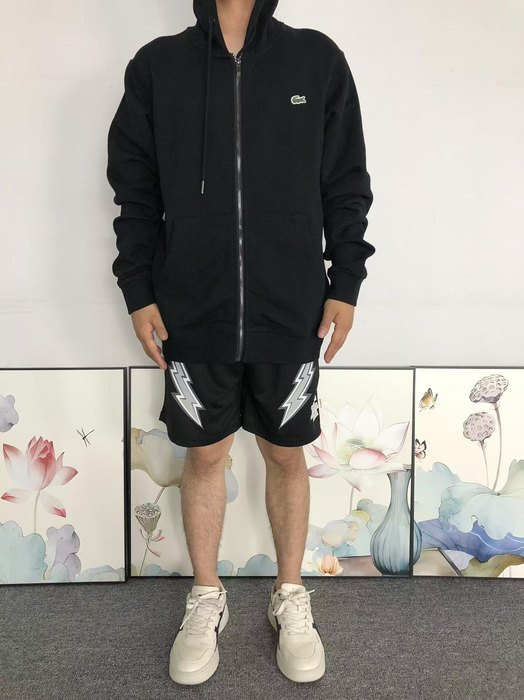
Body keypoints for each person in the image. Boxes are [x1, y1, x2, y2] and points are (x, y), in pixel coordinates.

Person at [106, 0, 374, 686]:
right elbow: (135, 192)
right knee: (205, 454)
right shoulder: (158, 67)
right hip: (193, 307)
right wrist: (138, 289)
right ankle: (207, 597)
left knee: (286, 453)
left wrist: (346, 281)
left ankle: (290, 595)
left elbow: (346, 183)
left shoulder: (316, 60)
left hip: (291, 306)